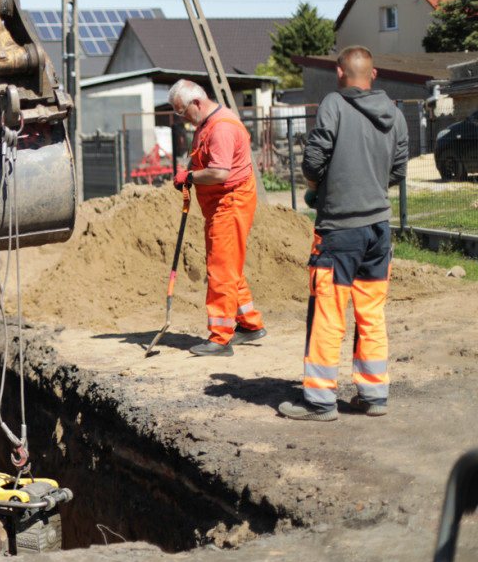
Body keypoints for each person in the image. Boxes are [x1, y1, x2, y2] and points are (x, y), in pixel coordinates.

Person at [279, 46, 408, 422]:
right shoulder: (396, 113)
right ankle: (373, 395)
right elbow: (398, 169)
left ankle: (319, 401)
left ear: (339, 74)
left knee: (328, 313)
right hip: (378, 230)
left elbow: (314, 159)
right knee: (371, 312)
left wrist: (316, 186)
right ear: (374, 73)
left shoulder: (333, 104)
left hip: (339, 231)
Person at [169, 79, 267, 357]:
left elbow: (220, 173)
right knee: (228, 263)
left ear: (196, 103)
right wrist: (188, 172)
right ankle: (249, 324)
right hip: (219, 204)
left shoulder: (221, 128)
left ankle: (220, 338)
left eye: (182, 112)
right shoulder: (204, 124)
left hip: (231, 202)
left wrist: (188, 177)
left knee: (221, 269)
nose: (182, 119)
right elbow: (200, 158)